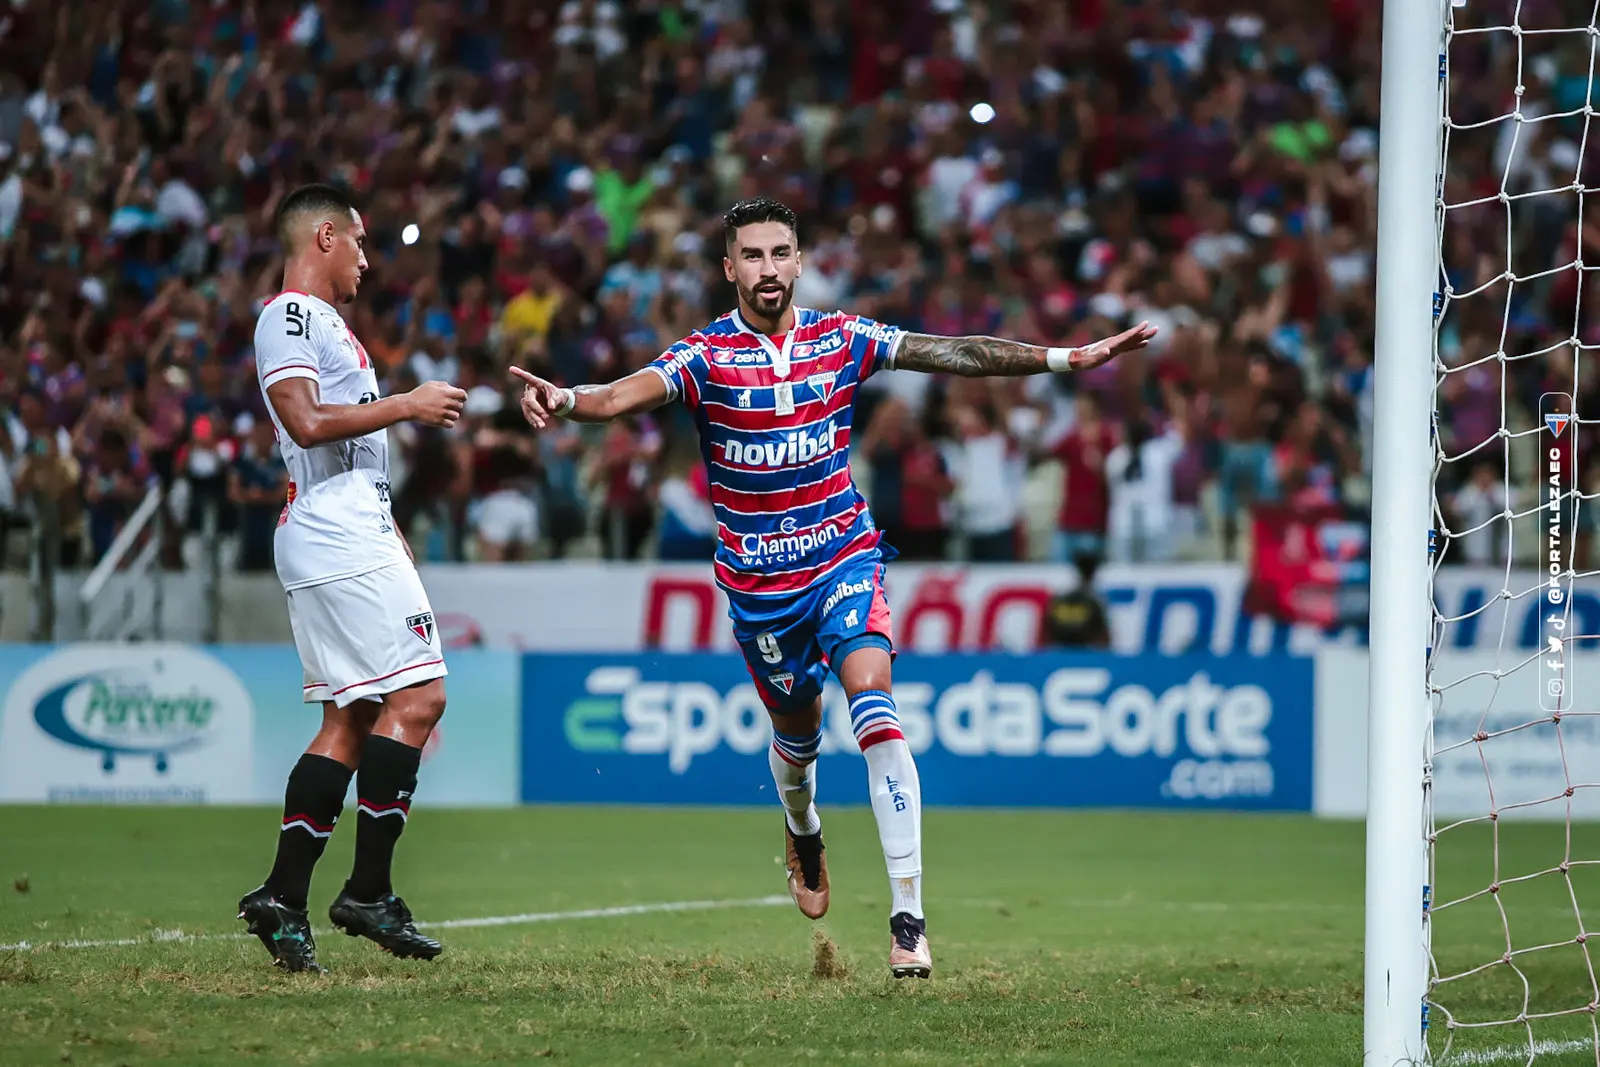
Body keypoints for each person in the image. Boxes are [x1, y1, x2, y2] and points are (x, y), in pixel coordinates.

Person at [510, 198, 1156, 978]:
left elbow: (955, 353)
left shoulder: (842, 337)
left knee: (874, 703)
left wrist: (1063, 359)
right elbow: (617, 397)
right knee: (799, 737)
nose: (768, 268)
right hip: (761, 587)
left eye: (781, 252)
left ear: (800, 261)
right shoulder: (705, 356)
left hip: (844, 557)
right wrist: (566, 399)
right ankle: (803, 826)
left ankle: (909, 919)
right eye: (752, 255)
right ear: (729, 267)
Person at [238, 184, 468, 973]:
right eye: (361, 243)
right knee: (422, 696)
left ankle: (282, 895)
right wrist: (406, 403)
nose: (367, 260)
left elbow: (341, 447)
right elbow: (304, 421)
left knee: (352, 716)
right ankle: (368, 890)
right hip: (337, 532)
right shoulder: (289, 316)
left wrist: (389, 521)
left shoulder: (327, 325)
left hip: (347, 526)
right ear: (325, 237)